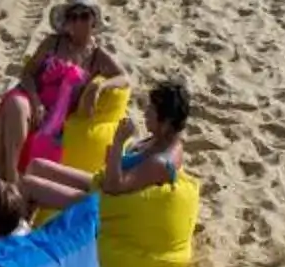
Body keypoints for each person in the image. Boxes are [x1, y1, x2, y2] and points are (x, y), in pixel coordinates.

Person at [0, 0, 129, 181]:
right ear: (67, 22)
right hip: (32, 96)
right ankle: (10, 178)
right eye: (73, 17)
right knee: (17, 107)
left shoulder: (97, 56)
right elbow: (27, 73)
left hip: (60, 114)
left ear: (93, 21)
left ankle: (16, 179)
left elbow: (124, 78)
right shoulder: (53, 43)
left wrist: (100, 86)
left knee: (46, 131)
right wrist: (36, 101)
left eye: (84, 16)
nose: (79, 22)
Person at [17, 77, 191, 212]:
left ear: (166, 121)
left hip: (108, 206)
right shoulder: (163, 139)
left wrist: (118, 142)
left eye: (151, 110)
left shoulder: (160, 162)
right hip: (103, 187)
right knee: (36, 166)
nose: (145, 113)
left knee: (27, 184)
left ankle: (11, 243)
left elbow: (113, 187)